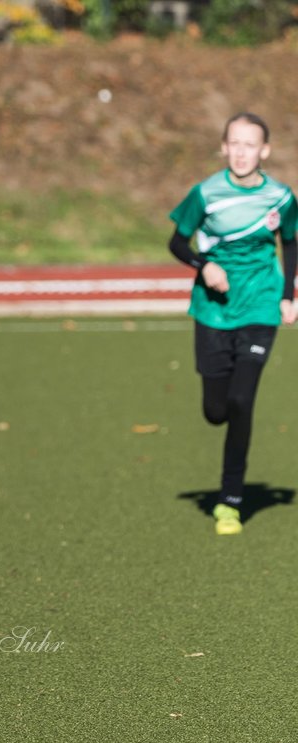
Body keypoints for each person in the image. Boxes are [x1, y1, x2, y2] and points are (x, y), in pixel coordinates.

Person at [168, 112, 298, 536]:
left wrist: (286, 296)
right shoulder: (205, 193)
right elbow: (176, 242)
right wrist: (204, 266)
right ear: (224, 147)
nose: (242, 152)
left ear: (265, 151)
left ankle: (231, 499)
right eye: (234, 143)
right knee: (216, 410)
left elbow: (291, 243)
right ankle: (226, 474)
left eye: (250, 145)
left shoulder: (281, 197)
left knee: (243, 401)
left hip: (260, 307)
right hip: (213, 311)